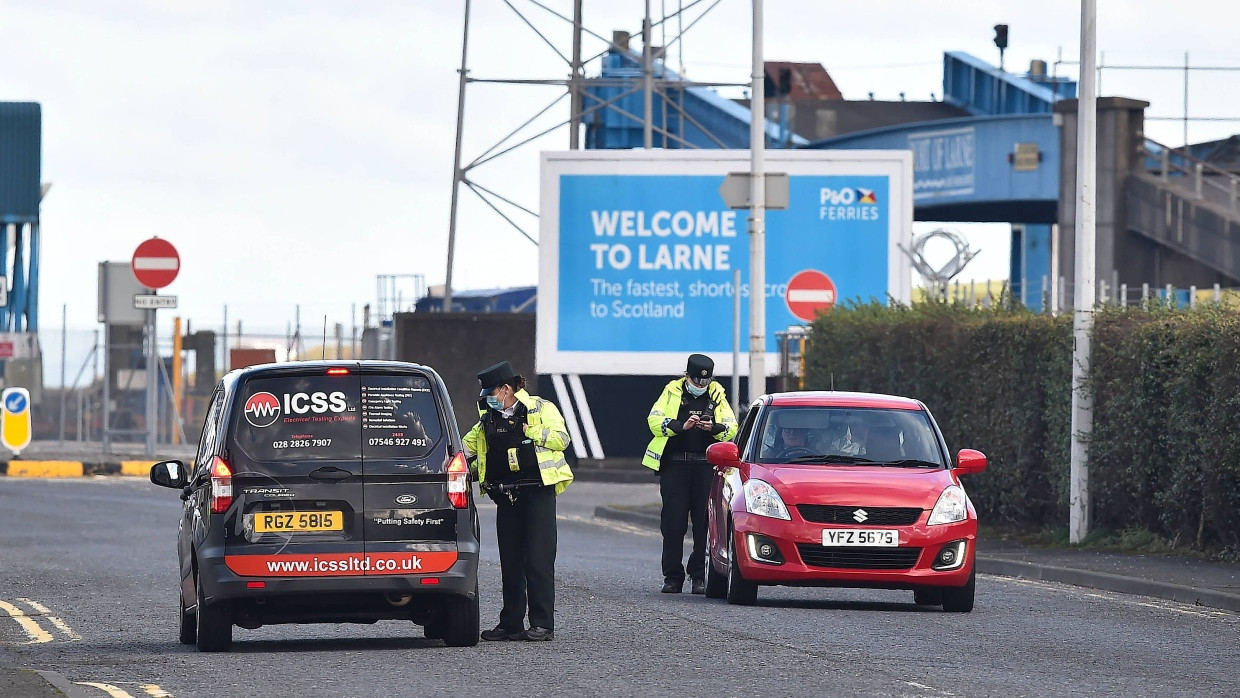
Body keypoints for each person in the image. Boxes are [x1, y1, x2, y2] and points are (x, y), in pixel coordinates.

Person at [464, 360, 574, 642]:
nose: (489, 398)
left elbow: (562, 439)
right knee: (510, 562)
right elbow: (467, 450)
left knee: (538, 559)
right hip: (506, 494)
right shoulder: (486, 419)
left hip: (538, 492)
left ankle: (542, 624)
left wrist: (531, 431)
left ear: (506, 389)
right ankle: (511, 622)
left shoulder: (540, 408)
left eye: (492, 392)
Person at [643, 353, 738, 594]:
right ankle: (672, 577)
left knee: (703, 523)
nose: (701, 386)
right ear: (687, 376)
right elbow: (653, 421)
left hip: (705, 466)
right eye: (696, 381)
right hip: (675, 465)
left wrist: (713, 427)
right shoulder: (672, 391)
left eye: (704, 382)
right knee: (673, 523)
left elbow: (731, 427)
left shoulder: (717, 394)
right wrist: (679, 426)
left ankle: (698, 576)